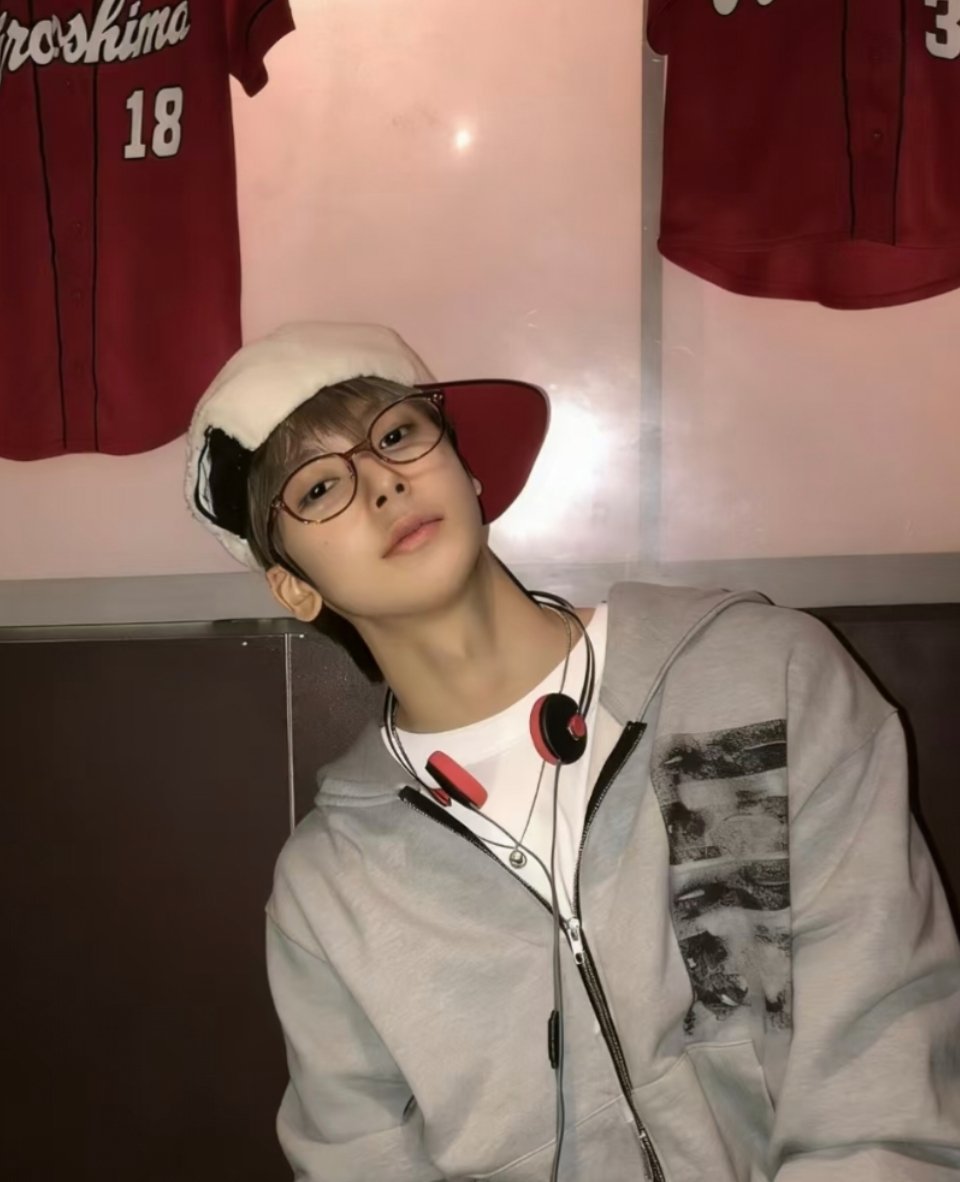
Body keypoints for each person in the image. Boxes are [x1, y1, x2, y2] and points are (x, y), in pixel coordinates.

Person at [185, 321, 960, 1181]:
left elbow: (883, 1070)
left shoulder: (759, 678)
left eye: (398, 435)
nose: (383, 482)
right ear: (294, 587)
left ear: (468, 471)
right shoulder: (330, 889)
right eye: (322, 486)